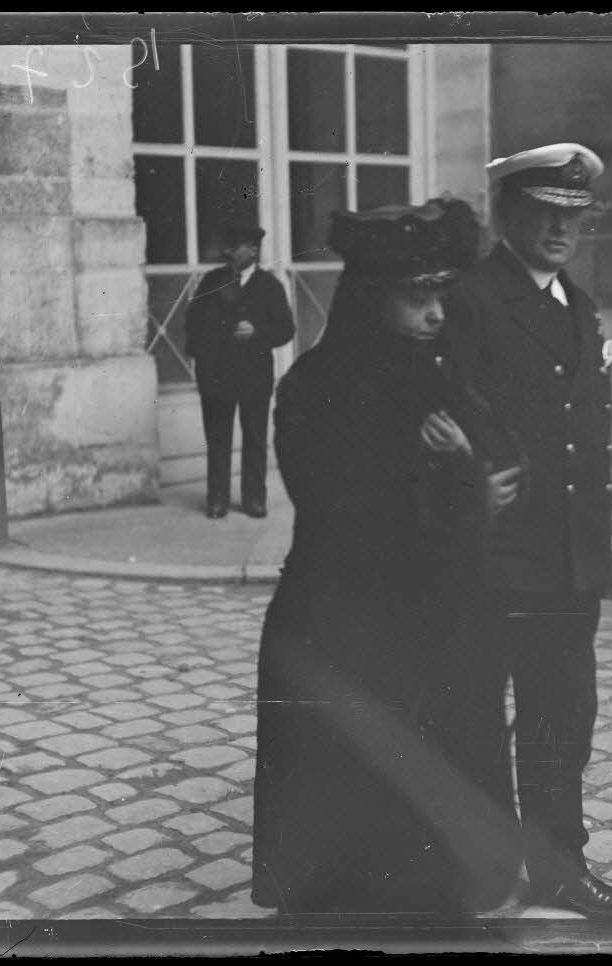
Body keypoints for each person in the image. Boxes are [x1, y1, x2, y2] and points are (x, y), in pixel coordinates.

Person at [251, 198, 525, 916]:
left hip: (438, 616)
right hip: (349, 616)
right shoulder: (316, 387)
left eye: (441, 295)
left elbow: (501, 461)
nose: (435, 313)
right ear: (371, 298)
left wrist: (475, 476)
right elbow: (340, 512)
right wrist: (466, 491)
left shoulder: (439, 371)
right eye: (416, 298)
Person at [443, 143, 612, 917]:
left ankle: (559, 868)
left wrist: (596, 543)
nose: (560, 231)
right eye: (544, 213)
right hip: (493, 556)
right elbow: (436, 416)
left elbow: (584, 439)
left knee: (563, 718)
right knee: (472, 719)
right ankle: (471, 872)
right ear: (507, 215)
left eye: (573, 217)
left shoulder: (580, 308)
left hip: (566, 561)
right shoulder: (470, 301)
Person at [184, 221, 295, 519]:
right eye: (229, 246)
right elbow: (192, 322)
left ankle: (254, 499)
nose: (229, 252)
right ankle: (217, 499)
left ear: (254, 251)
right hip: (216, 375)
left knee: (255, 440)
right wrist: (208, 352)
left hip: (253, 376)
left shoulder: (270, 286)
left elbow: (286, 329)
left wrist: (257, 332)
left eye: (237, 246)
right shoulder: (211, 282)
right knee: (218, 440)